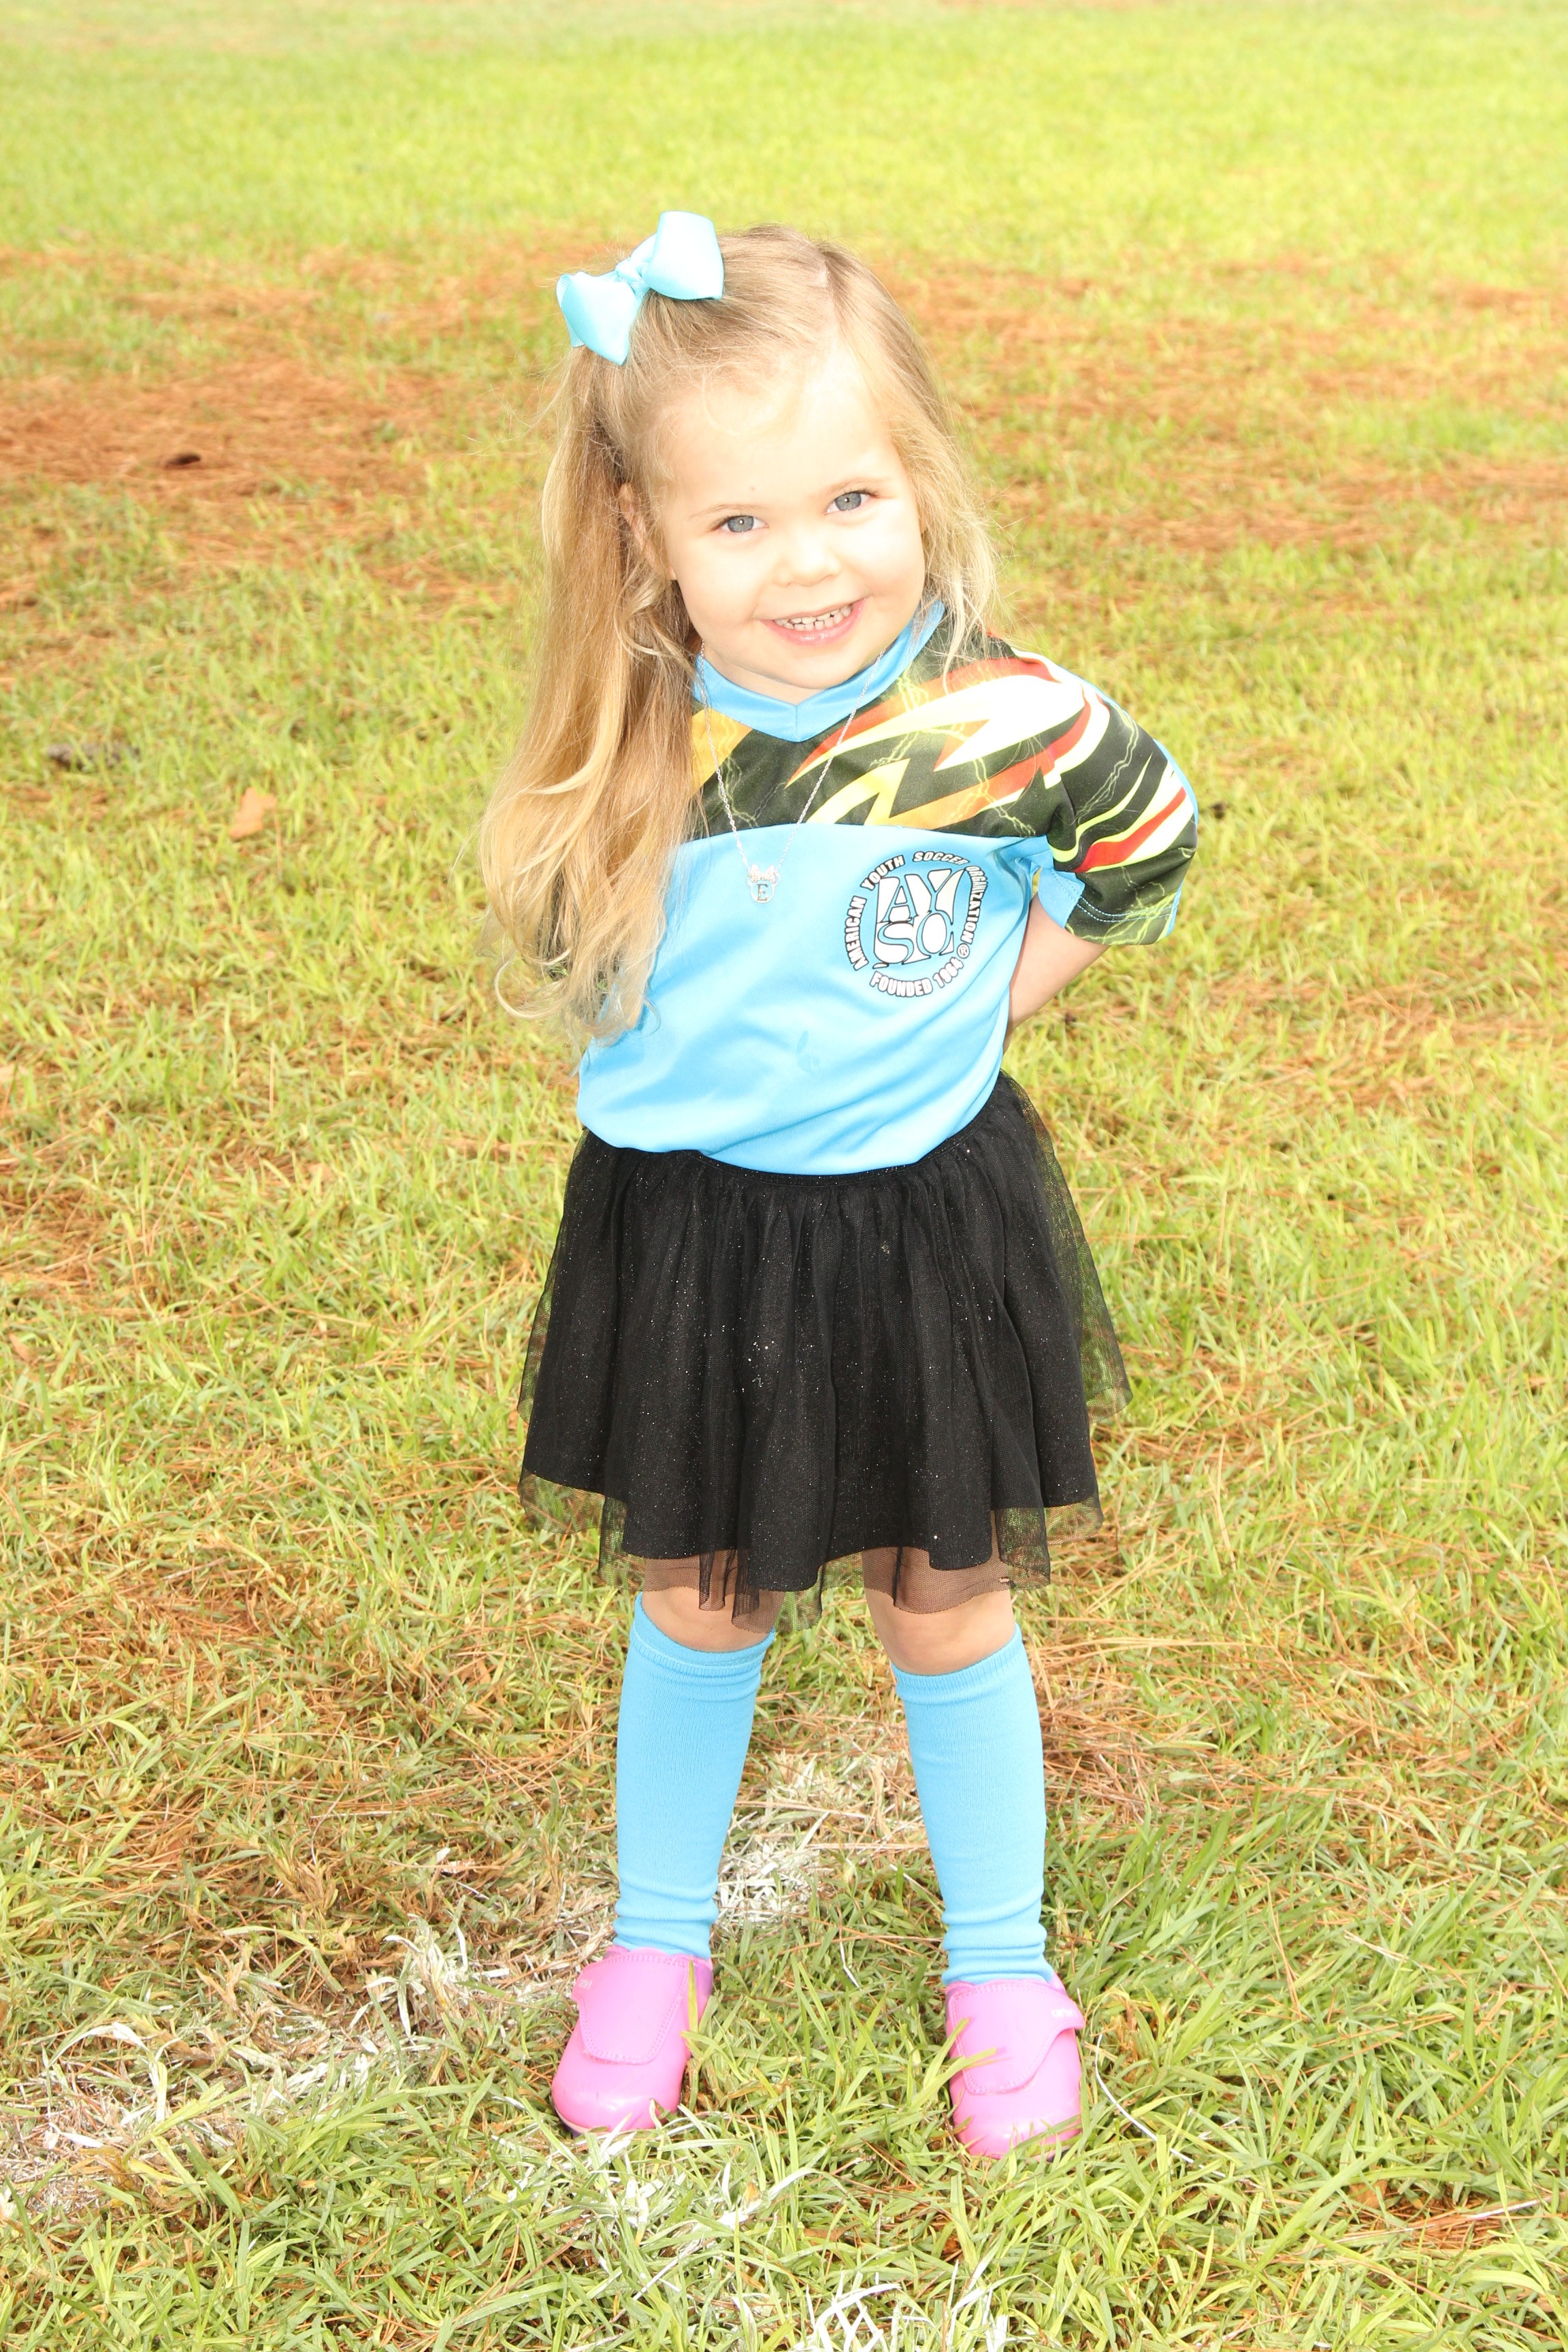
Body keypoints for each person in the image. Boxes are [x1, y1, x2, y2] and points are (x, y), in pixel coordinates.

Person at [480, 215, 1197, 2159]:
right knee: (699, 1600)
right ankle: (654, 1946)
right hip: (692, 1236)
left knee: (945, 1601)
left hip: (922, 1222)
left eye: (851, 500)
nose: (807, 565)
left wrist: (988, 1005)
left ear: (921, 481)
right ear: (641, 532)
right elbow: (571, 964)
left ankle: (1001, 1965)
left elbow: (1143, 842)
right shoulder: (641, 738)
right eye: (740, 523)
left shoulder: (1007, 721)